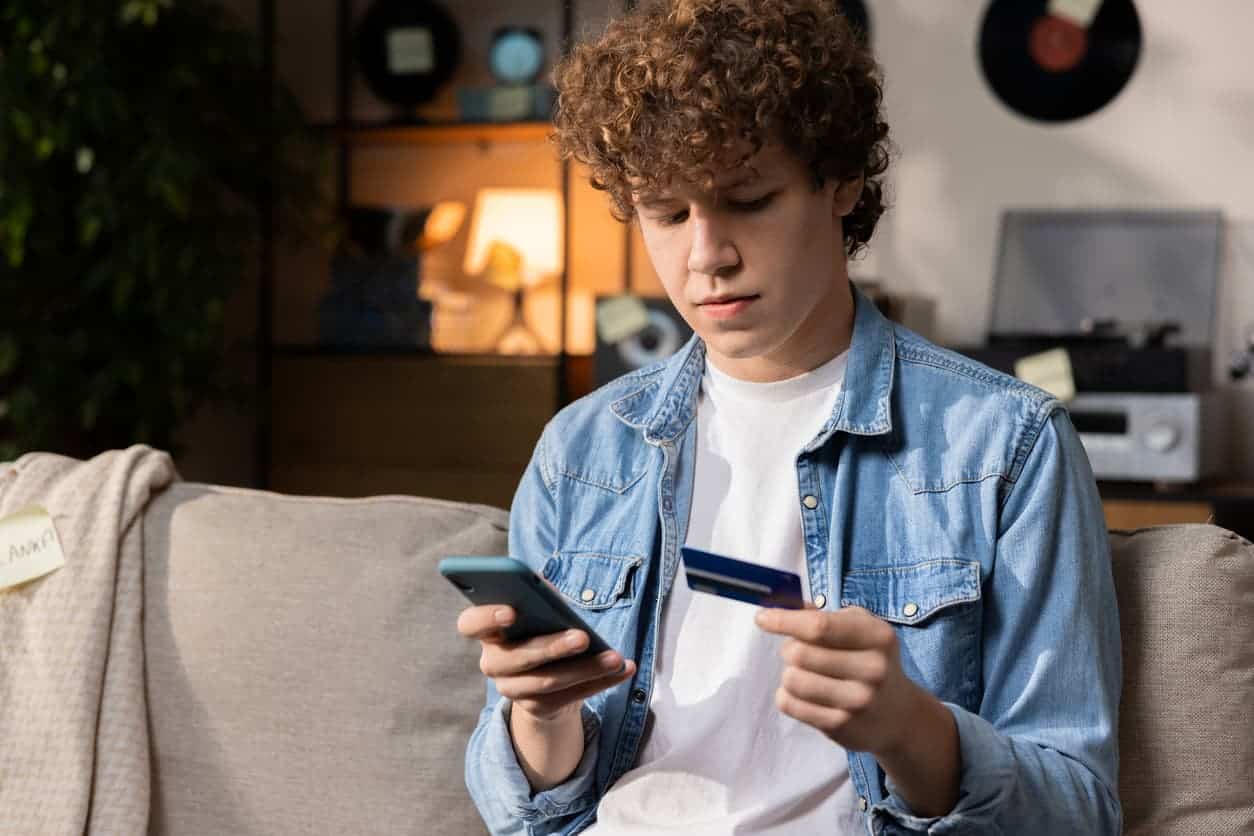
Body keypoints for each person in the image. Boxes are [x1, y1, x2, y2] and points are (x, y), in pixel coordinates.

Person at [455, 0, 1122, 833]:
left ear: (840, 182)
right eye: (666, 213)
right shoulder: (583, 449)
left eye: (749, 198)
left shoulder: (1005, 446)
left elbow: (1080, 809)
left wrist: (915, 732)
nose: (706, 255)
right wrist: (539, 717)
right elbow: (527, 811)